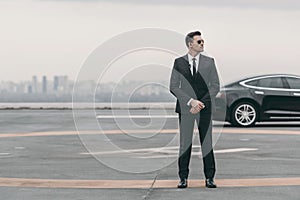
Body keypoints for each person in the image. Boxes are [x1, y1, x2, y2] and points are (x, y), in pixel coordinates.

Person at [169, 31, 220, 188]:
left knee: (207, 142)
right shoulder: (179, 62)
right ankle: (183, 177)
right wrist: (191, 102)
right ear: (190, 44)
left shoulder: (209, 62)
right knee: (185, 144)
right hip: (186, 109)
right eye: (199, 42)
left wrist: (200, 104)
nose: (202, 44)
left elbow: (215, 86)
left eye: (203, 41)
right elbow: (173, 86)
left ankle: (210, 178)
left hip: (204, 108)